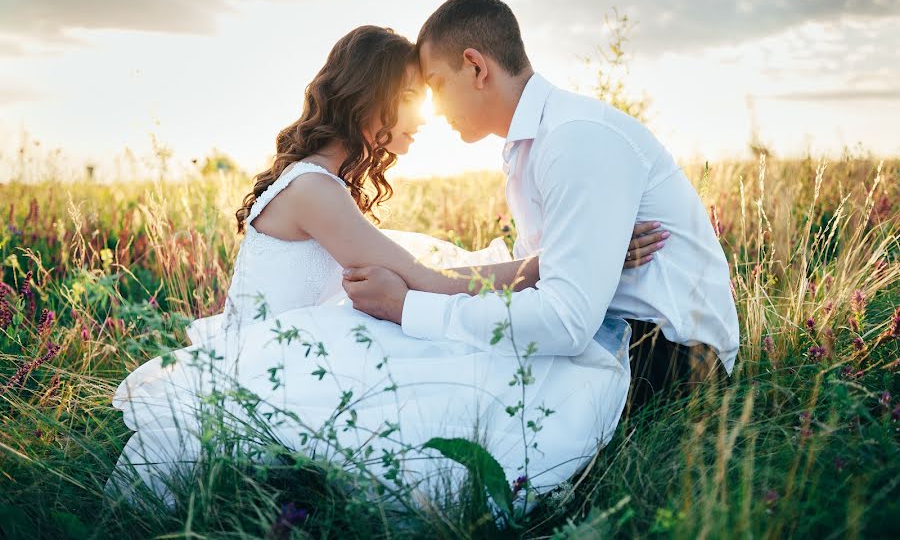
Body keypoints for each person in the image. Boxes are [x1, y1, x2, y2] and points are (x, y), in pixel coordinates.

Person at [107, 25, 664, 509]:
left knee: (446, 352)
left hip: (293, 347)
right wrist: (563, 264)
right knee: (459, 371)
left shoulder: (321, 184)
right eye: (408, 97)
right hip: (271, 363)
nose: (423, 117)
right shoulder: (313, 190)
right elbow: (430, 282)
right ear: (368, 97)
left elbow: (421, 276)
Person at [343, 0, 740, 415]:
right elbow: (532, 273)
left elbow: (563, 321)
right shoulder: (529, 147)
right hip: (619, 329)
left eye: (437, 85)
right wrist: (420, 281)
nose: (435, 111)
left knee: (459, 376)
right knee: (436, 359)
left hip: (677, 358)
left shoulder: (575, 138)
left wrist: (408, 307)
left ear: (476, 67)